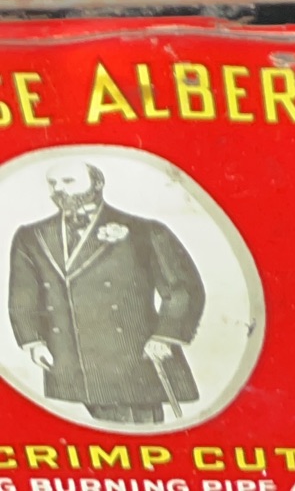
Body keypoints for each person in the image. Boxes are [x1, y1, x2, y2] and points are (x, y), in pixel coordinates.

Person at [8, 161, 204, 424]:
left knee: (137, 429)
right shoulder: (31, 236)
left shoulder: (144, 230)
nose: (59, 190)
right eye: (53, 184)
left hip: (133, 355)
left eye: (69, 181)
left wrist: (165, 337)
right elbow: (23, 294)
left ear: (98, 183)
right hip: (69, 357)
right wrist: (34, 341)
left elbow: (183, 288)